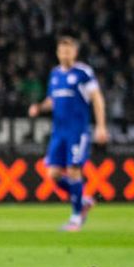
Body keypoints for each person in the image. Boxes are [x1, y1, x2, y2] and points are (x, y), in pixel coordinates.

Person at [27, 35, 108, 231]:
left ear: (75, 53)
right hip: (59, 132)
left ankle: (76, 217)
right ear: (57, 53)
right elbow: (52, 100)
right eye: (62, 50)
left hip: (77, 131)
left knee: (73, 170)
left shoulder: (83, 73)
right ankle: (84, 201)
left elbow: (97, 98)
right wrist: (39, 108)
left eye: (69, 50)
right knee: (53, 174)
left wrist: (101, 126)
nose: (65, 53)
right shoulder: (55, 74)